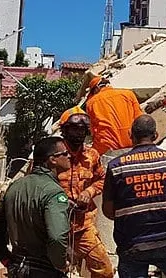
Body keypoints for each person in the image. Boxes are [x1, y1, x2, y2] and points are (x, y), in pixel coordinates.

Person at [102, 115, 166, 278]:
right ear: (155, 135)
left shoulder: (116, 167)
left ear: (131, 135)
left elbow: (108, 211)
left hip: (131, 244)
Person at [0, 136, 71, 277]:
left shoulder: (15, 186)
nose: (69, 157)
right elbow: (57, 237)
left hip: (18, 267)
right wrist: (60, 264)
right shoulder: (54, 192)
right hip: (44, 269)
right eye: (65, 153)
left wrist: (6, 258)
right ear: (52, 159)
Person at [57, 108, 114, 278]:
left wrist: (89, 192)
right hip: (52, 226)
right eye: (75, 129)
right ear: (65, 130)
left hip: (82, 225)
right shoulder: (52, 154)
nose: (79, 133)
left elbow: (104, 179)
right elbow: (35, 184)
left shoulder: (92, 155)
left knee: (104, 270)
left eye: (82, 129)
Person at [84, 75, 144, 155]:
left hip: (106, 148)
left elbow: (93, 130)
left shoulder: (91, 103)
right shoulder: (129, 94)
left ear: (96, 89)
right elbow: (140, 119)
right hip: (132, 143)